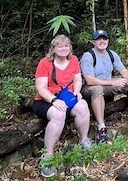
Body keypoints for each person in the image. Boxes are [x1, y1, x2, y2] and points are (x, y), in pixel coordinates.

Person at [33, 34, 91, 178]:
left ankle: (84, 139)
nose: (63, 49)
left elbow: (78, 79)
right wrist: (53, 100)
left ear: (69, 48)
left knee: (83, 106)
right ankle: (48, 156)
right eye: (60, 46)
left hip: (67, 98)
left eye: (66, 46)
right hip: (45, 100)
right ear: (53, 49)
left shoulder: (74, 60)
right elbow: (41, 87)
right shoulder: (45, 63)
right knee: (59, 114)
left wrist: (77, 93)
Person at [81, 29, 128, 144]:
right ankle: (101, 127)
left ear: (108, 41)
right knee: (97, 89)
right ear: (94, 42)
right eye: (99, 39)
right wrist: (113, 82)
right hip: (90, 87)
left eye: (104, 39)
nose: (102, 41)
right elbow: (89, 80)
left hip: (107, 84)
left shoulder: (112, 54)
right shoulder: (88, 56)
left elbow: (124, 71)